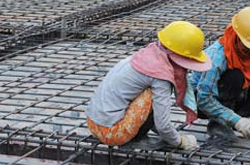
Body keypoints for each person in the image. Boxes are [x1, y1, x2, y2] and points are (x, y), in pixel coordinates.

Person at [86, 21, 212, 150]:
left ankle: (135, 134)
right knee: (151, 95)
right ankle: (134, 140)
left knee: (147, 93)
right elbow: (162, 124)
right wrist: (180, 141)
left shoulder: (148, 55)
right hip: (111, 133)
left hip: (93, 123)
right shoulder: (159, 75)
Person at [190, 7, 250, 140]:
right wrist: (237, 121)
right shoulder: (217, 56)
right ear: (238, 36)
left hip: (234, 97)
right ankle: (220, 122)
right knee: (235, 76)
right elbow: (204, 99)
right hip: (199, 102)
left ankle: (234, 118)